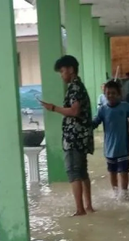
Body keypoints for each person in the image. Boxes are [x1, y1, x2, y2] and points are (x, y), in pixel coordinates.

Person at [39, 55, 95, 216]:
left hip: (75, 137)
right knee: (82, 171)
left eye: (62, 71)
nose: (61, 75)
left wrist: (53, 108)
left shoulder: (75, 87)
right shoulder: (79, 86)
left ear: (70, 69)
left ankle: (80, 209)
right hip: (81, 136)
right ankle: (88, 206)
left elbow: (74, 111)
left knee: (73, 172)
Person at [93, 80, 129, 199]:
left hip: (123, 147)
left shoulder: (125, 107)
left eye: (113, 93)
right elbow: (95, 123)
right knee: (112, 172)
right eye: (108, 93)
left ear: (119, 94)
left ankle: (124, 193)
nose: (110, 95)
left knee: (124, 172)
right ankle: (115, 193)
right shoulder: (102, 110)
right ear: (104, 94)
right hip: (109, 148)